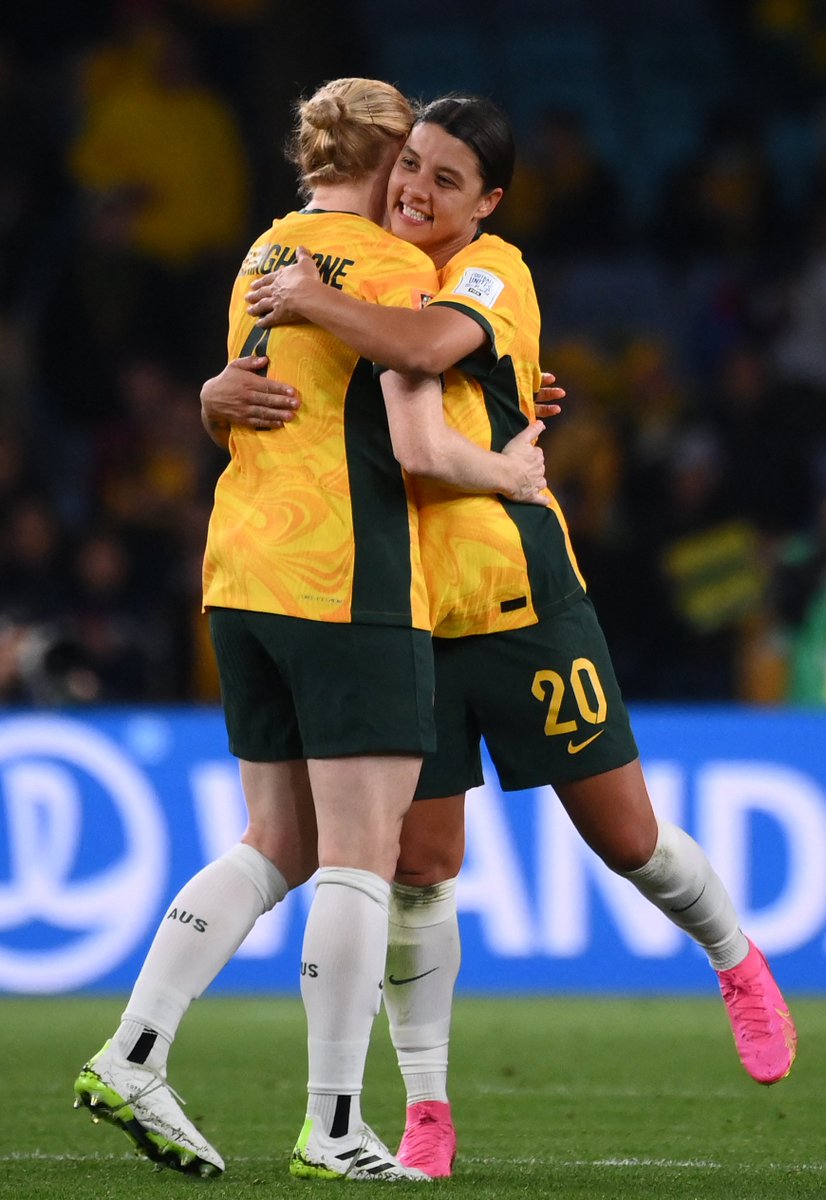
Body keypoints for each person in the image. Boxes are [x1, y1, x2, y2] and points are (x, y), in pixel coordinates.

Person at [234, 95, 798, 1178]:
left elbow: (428, 342)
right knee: (420, 868)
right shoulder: (363, 268)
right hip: (403, 612)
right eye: (411, 166)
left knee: (626, 839)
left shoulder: (493, 271)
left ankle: (734, 958)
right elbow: (300, 396)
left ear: (485, 202)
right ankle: (429, 1110)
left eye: (447, 180)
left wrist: (312, 300)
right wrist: (223, 393)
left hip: (520, 601)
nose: (417, 190)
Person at [71, 77, 548, 1184]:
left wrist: (205, 399)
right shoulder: (390, 267)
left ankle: (134, 1051)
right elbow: (425, 388)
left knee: (273, 843)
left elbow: (246, 388)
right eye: (414, 164)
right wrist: (512, 465)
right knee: (358, 860)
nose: (420, 187)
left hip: (239, 573)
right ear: (387, 161)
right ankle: (333, 1124)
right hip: (346, 579)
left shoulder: (259, 256)